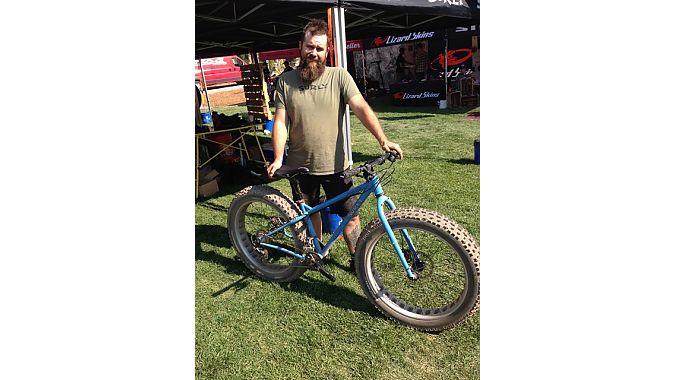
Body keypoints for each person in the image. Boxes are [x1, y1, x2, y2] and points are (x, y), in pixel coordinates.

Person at [267, 19, 403, 272]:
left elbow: (360, 107)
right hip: (300, 166)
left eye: (319, 48)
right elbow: (281, 122)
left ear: (326, 51)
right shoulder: (286, 81)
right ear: (301, 46)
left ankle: (359, 260)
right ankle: (317, 252)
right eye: (309, 47)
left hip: (337, 165)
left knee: (350, 216)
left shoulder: (339, 76)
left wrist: (383, 140)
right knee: (309, 212)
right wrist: (277, 157)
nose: (313, 53)